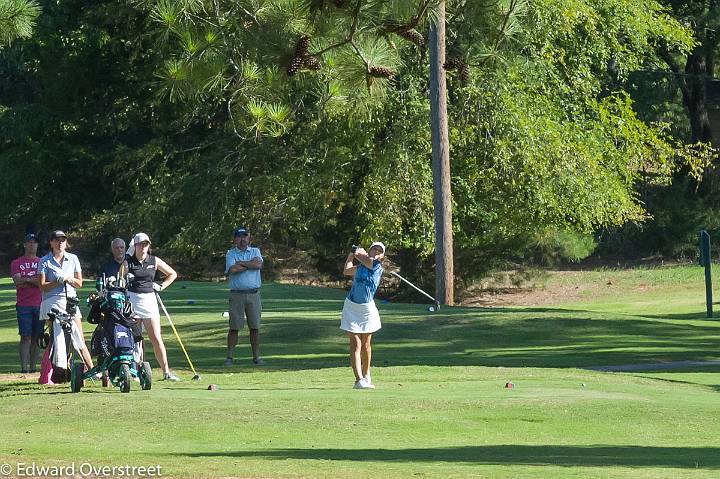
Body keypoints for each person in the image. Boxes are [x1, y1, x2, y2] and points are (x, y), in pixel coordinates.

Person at [124, 232, 180, 381]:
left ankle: (166, 372)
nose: (143, 247)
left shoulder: (153, 260)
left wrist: (161, 286)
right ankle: (135, 371)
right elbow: (120, 278)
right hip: (132, 300)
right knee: (135, 339)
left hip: (149, 300)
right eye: (140, 244)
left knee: (156, 337)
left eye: (146, 244)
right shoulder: (128, 262)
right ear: (135, 246)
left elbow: (172, 274)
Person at [38, 230, 95, 370]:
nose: (60, 243)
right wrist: (57, 281)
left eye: (63, 240)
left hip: (70, 300)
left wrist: (69, 280)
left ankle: (91, 369)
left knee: (78, 337)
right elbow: (42, 286)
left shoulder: (73, 258)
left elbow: (79, 283)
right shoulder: (44, 261)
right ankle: (53, 373)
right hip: (52, 301)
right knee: (56, 338)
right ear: (51, 243)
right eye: (57, 240)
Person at [341, 241, 386, 389]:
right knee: (356, 344)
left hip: (367, 309)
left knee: (366, 344)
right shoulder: (361, 266)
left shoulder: (377, 266)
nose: (377, 252)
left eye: (380, 251)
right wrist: (350, 254)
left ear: (382, 256)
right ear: (370, 250)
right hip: (351, 306)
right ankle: (358, 380)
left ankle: (366, 374)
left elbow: (365, 259)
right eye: (374, 249)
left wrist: (357, 251)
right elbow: (347, 270)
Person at [224, 227, 264, 366]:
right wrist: (249, 264)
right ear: (235, 239)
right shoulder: (230, 253)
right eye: (239, 237)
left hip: (254, 294)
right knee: (234, 327)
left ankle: (256, 357)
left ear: (249, 238)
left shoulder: (255, 251)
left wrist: (241, 263)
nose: (242, 240)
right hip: (237, 295)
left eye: (244, 237)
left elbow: (258, 264)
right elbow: (232, 269)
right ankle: (229, 357)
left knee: (255, 327)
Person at [11, 233, 42, 373]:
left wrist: (27, 279)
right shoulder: (17, 263)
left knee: (36, 338)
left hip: (39, 303)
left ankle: (33, 368)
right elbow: (17, 281)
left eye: (34, 242)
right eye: (29, 242)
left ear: (37, 245)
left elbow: (42, 282)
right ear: (24, 245)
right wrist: (33, 280)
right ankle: (23, 368)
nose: (31, 245)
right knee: (25, 336)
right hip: (23, 304)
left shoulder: (42, 262)